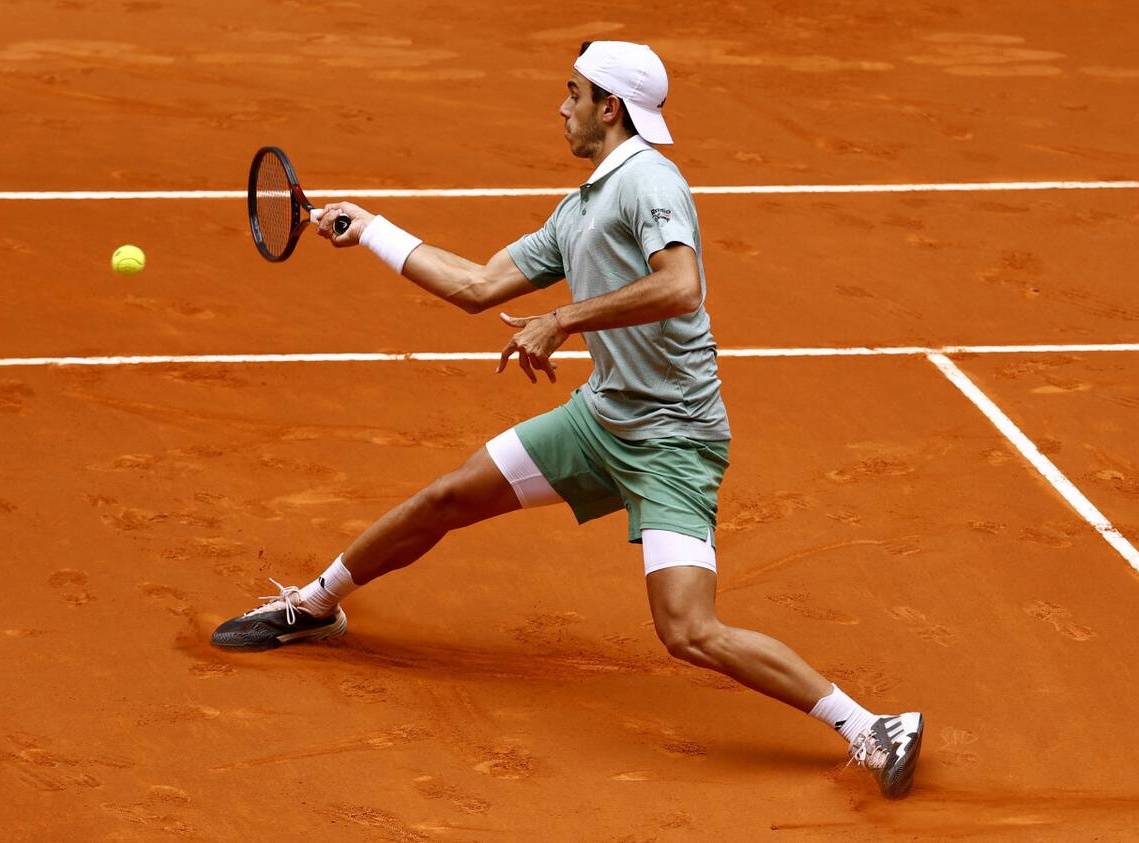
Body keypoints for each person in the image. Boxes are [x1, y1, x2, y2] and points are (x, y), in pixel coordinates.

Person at [212, 40, 923, 799]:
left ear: (609, 107)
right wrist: (372, 229)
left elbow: (681, 285)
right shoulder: (581, 207)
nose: (562, 106)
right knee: (448, 496)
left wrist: (563, 319)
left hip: (672, 439)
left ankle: (870, 725)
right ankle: (314, 605)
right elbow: (478, 285)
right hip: (601, 420)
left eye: (573, 93)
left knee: (687, 630)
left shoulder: (649, 181)